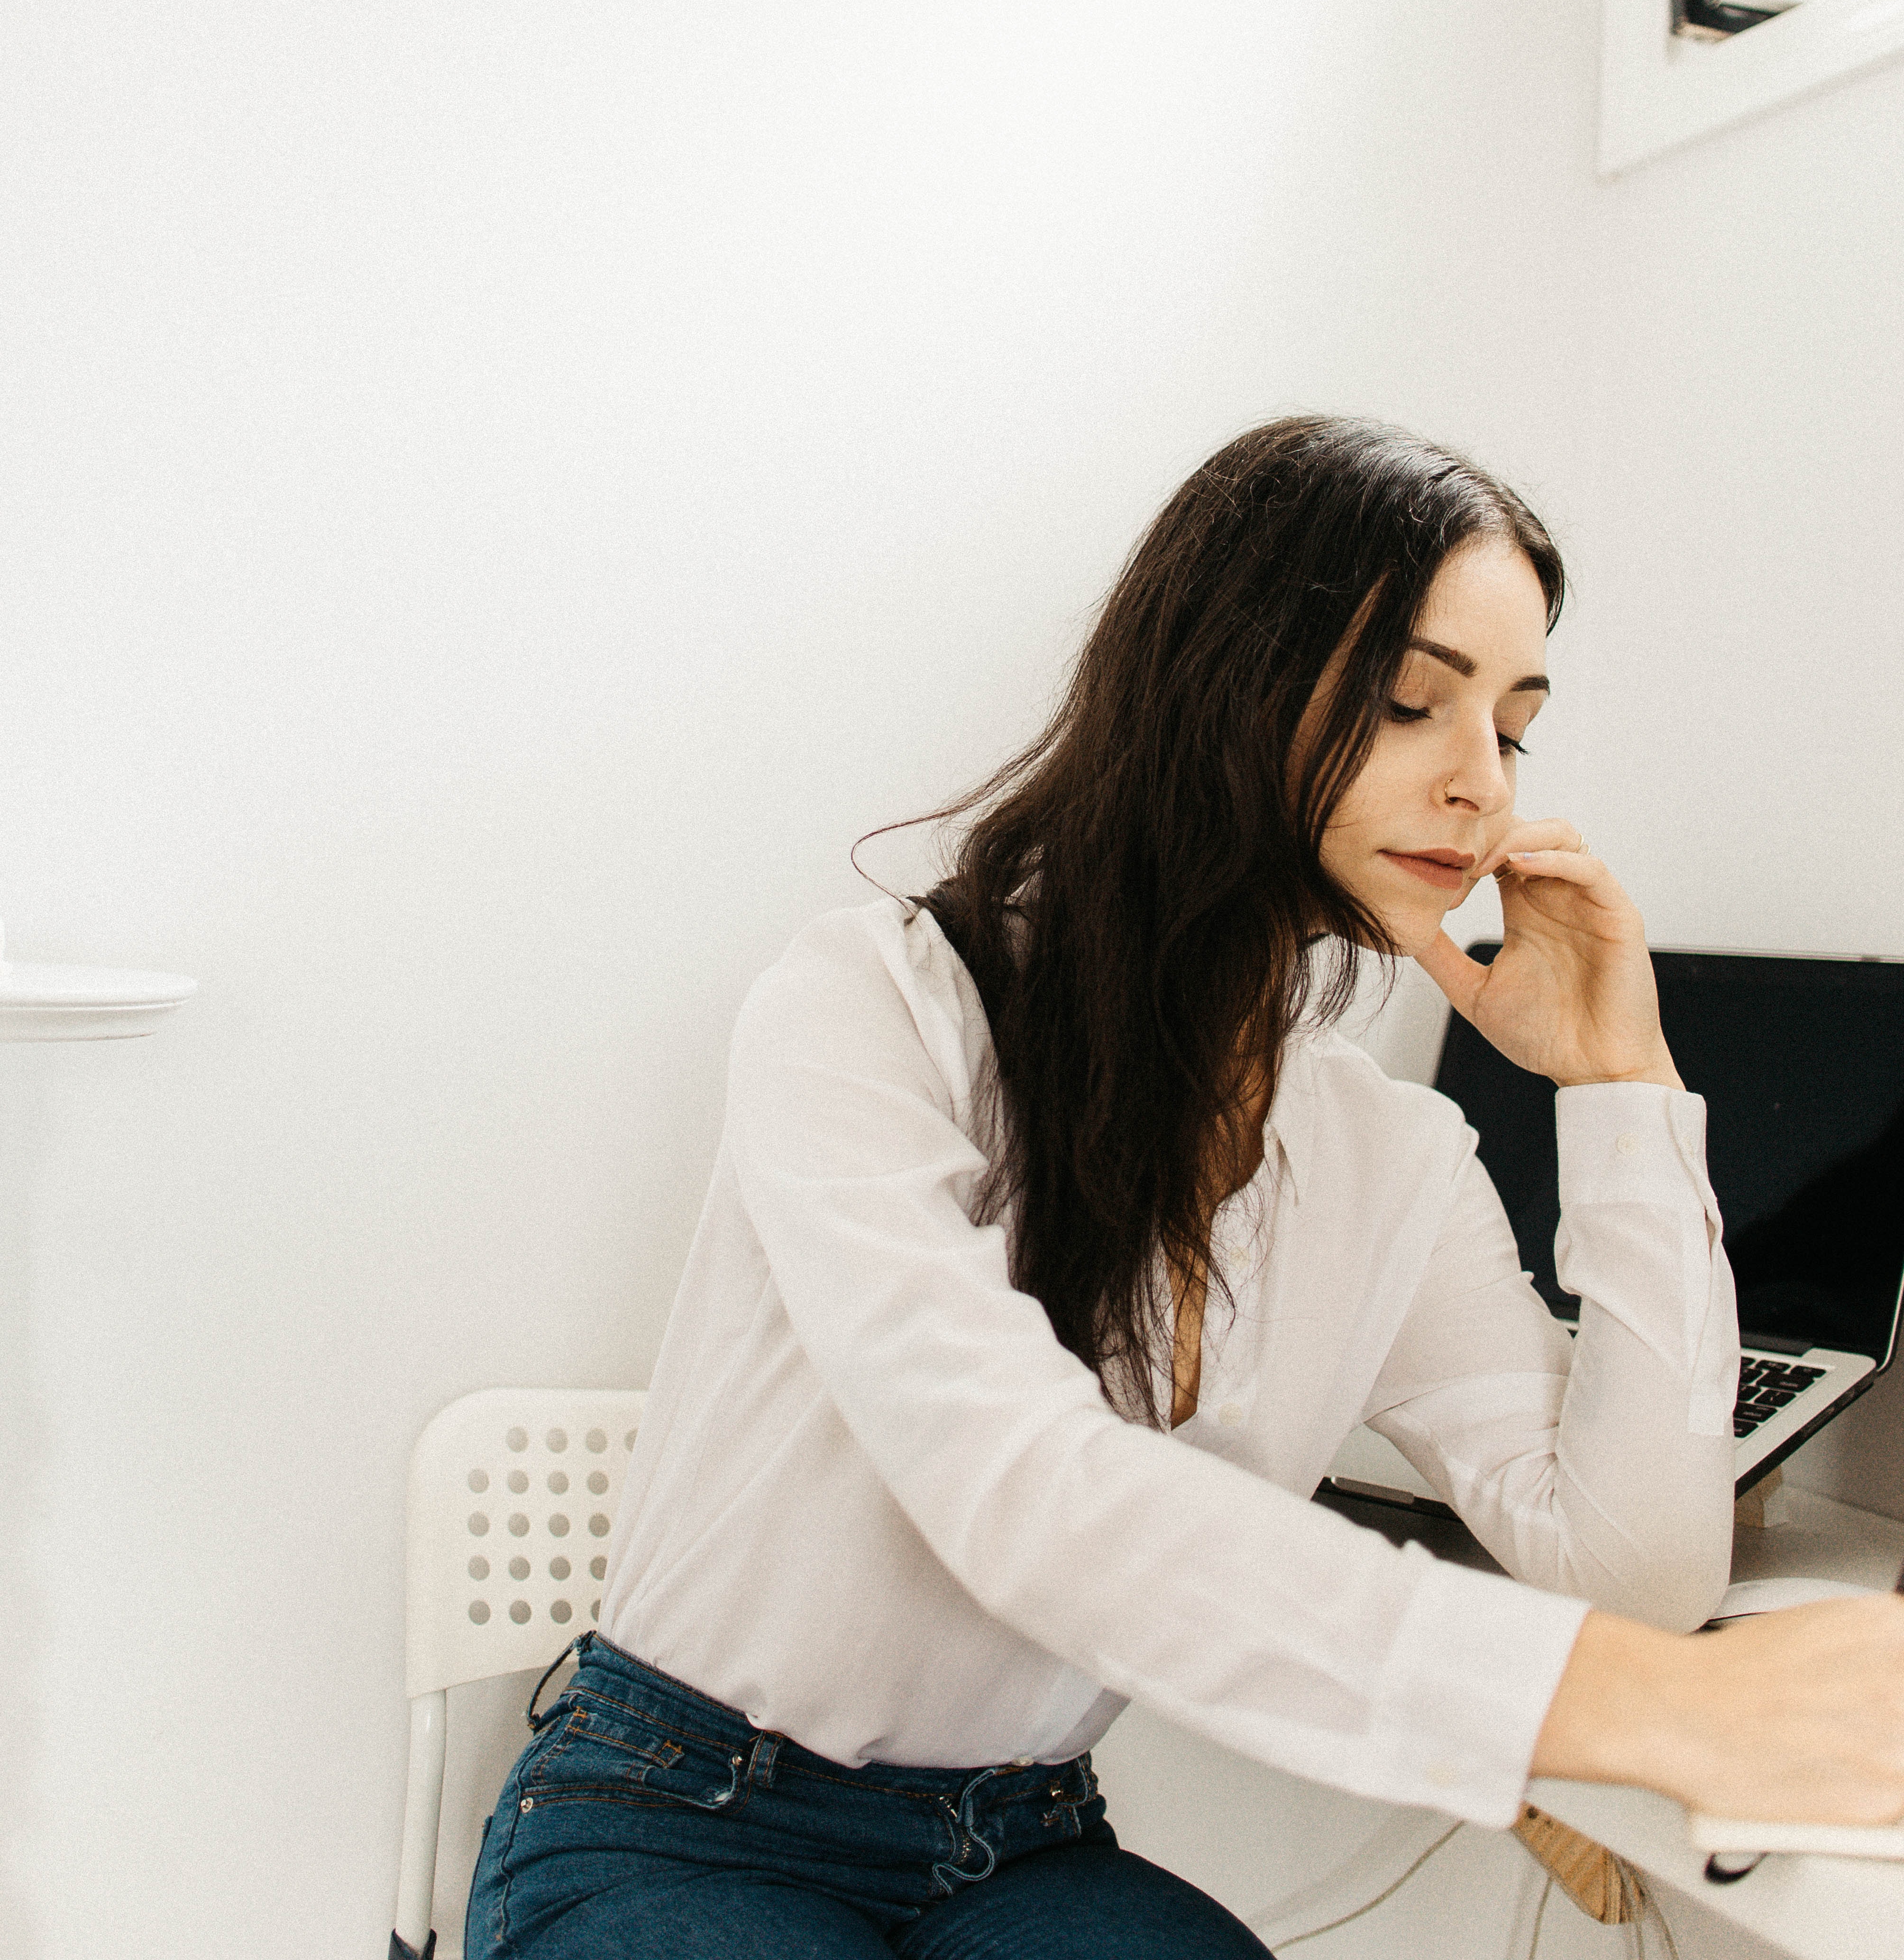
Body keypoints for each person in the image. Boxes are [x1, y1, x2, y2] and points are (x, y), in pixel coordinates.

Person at [464, 416, 1904, 1960]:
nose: (1483, 784)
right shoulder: (873, 1006)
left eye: (1517, 725)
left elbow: (1636, 1565)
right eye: (1415, 700)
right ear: (1224, 681)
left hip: (1024, 1845)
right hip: (680, 1810)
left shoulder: (1385, 1158)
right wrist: (1650, 1709)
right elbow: (1026, 1492)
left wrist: (1624, 1088)